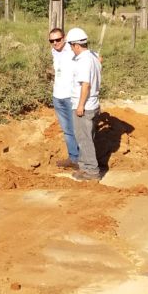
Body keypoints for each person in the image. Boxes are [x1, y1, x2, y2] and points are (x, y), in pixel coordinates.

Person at [66, 27, 102, 181]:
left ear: (76, 45)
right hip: (93, 104)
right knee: (87, 137)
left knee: (84, 139)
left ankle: (92, 172)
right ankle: (84, 167)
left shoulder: (84, 61)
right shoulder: (93, 56)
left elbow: (85, 84)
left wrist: (80, 105)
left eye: (71, 46)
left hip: (85, 106)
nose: (71, 49)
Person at [48, 27, 80, 170]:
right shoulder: (54, 52)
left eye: (58, 39)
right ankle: (73, 158)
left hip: (71, 96)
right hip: (58, 96)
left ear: (64, 38)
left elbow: (95, 58)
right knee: (67, 130)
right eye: (52, 40)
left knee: (76, 129)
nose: (55, 43)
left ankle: (84, 160)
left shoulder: (73, 50)